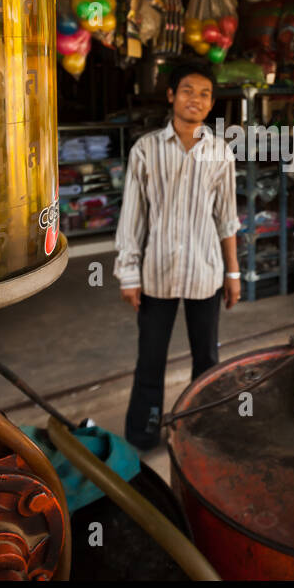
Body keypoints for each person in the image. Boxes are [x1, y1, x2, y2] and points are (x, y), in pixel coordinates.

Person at [113, 58, 241, 449]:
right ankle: (143, 433)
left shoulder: (220, 153)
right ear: (171, 95)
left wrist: (232, 274)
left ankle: (202, 428)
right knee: (150, 360)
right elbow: (132, 216)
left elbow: (227, 219)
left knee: (207, 360)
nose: (195, 100)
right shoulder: (146, 150)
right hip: (158, 273)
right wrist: (128, 274)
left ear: (211, 103)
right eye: (187, 91)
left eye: (205, 94)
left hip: (205, 271)